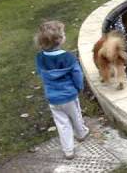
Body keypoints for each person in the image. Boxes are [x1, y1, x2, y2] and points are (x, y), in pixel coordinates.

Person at [34, 20, 89, 160]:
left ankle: (68, 150)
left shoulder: (40, 57)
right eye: (63, 33)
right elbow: (77, 74)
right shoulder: (68, 57)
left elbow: (41, 73)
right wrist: (80, 87)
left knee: (61, 123)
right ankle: (81, 134)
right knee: (75, 115)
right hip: (69, 95)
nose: (65, 35)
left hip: (52, 97)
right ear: (58, 40)